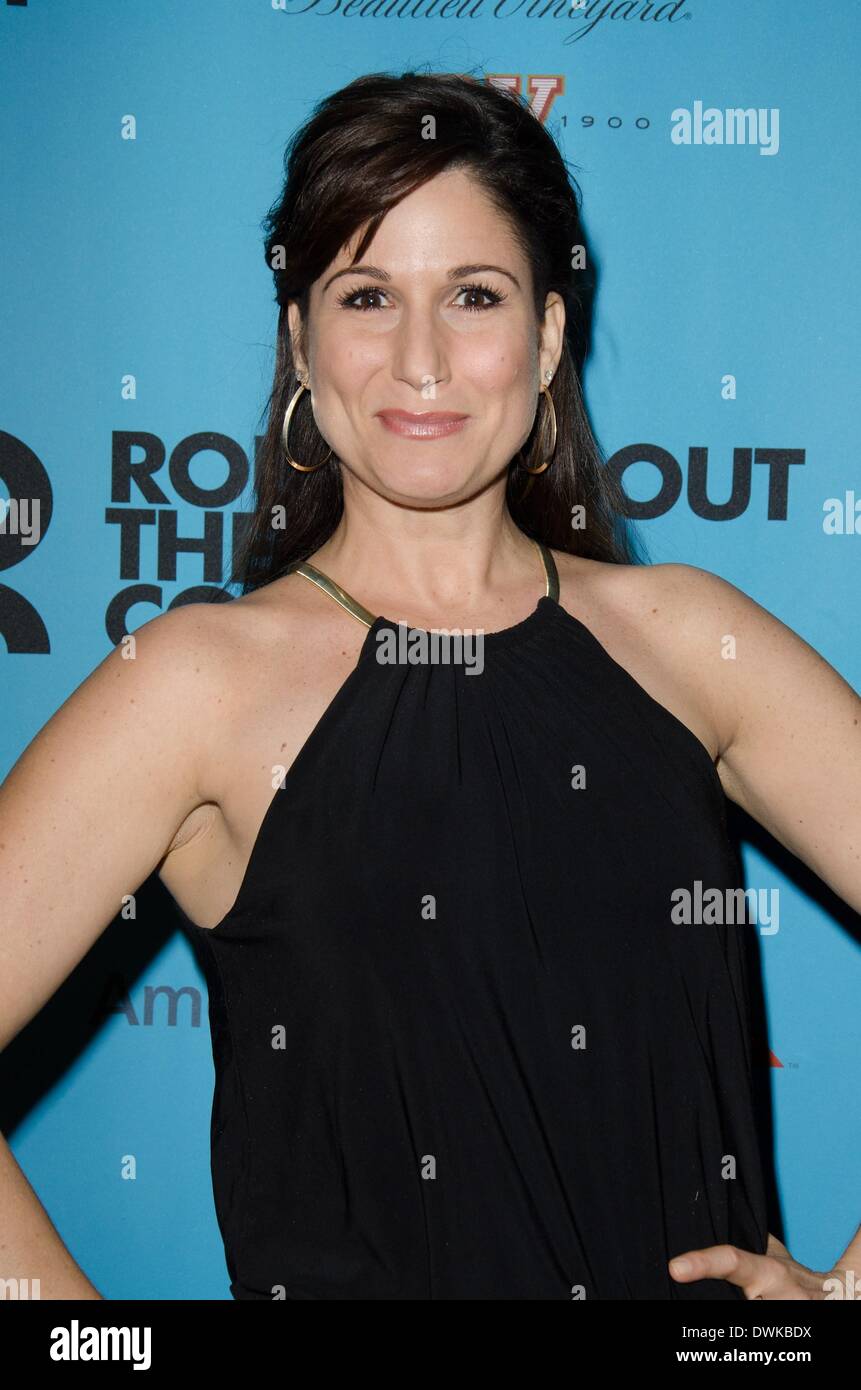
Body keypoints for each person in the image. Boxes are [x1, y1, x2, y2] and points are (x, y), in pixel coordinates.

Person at [1, 71, 859, 1302]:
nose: (420, 360)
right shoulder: (194, 686)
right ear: (301, 341)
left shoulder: (688, 640)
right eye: (367, 296)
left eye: (473, 295)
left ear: (547, 335)